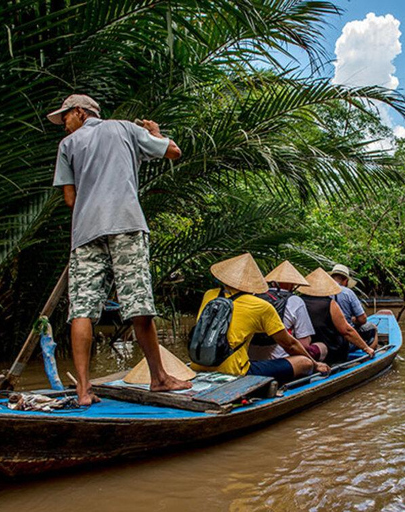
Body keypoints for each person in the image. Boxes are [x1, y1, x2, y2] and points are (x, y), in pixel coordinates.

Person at [49, 93, 191, 405]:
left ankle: (84, 390)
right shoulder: (124, 129)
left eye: (65, 118)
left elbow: (70, 200)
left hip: (85, 232)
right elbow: (173, 151)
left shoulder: (67, 147)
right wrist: (154, 133)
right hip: (125, 223)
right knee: (138, 301)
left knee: (82, 309)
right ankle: (160, 378)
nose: (63, 126)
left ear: (81, 113)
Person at [191, 253, 329, 384]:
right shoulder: (260, 306)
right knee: (305, 363)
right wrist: (316, 364)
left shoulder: (210, 295)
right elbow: (290, 345)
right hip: (236, 371)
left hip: (198, 363)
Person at [248, 260, 323, 361]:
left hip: (251, 359)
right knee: (321, 347)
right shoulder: (295, 301)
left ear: (273, 282)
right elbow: (304, 344)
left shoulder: (255, 296)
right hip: (280, 360)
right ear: (293, 284)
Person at [300, 268, 375, 365]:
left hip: (311, 345)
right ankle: (369, 359)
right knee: (372, 329)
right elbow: (347, 331)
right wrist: (366, 348)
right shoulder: (329, 303)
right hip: (332, 349)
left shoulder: (298, 301)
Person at [330, 264, 378, 349]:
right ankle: (369, 354)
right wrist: (354, 320)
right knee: (373, 328)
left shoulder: (322, 292)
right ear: (346, 281)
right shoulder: (348, 293)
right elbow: (362, 319)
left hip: (327, 335)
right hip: (344, 337)